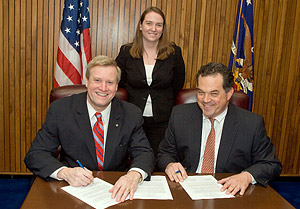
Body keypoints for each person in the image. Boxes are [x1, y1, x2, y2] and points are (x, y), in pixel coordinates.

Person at [24, 55, 155, 202]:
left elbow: (144, 152)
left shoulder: (130, 113)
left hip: (115, 191)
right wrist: (65, 173)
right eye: (97, 80)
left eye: (110, 82)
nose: (103, 88)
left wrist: (133, 175)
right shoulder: (61, 110)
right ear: (86, 82)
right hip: (73, 190)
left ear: (117, 86)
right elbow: (35, 154)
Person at [156, 62, 282, 196]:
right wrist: (170, 164)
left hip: (228, 192)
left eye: (214, 93)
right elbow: (164, 153)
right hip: (185, 190)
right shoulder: (180, 115)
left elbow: (271, 164)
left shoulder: (251, 124)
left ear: (229, 94)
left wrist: (246, 176)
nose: (205, 100)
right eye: (201, 92)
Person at [116, 7, 185, 154]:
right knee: (132, 158)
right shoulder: (126, 52)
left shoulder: (174, 52)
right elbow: (118, 83)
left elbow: (178, 84)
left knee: (158, 160)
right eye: (149, 23)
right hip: (132, 118)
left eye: (158, 25)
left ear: (163, 28)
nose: (153, 29)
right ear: (141, 26)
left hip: (163, 121)